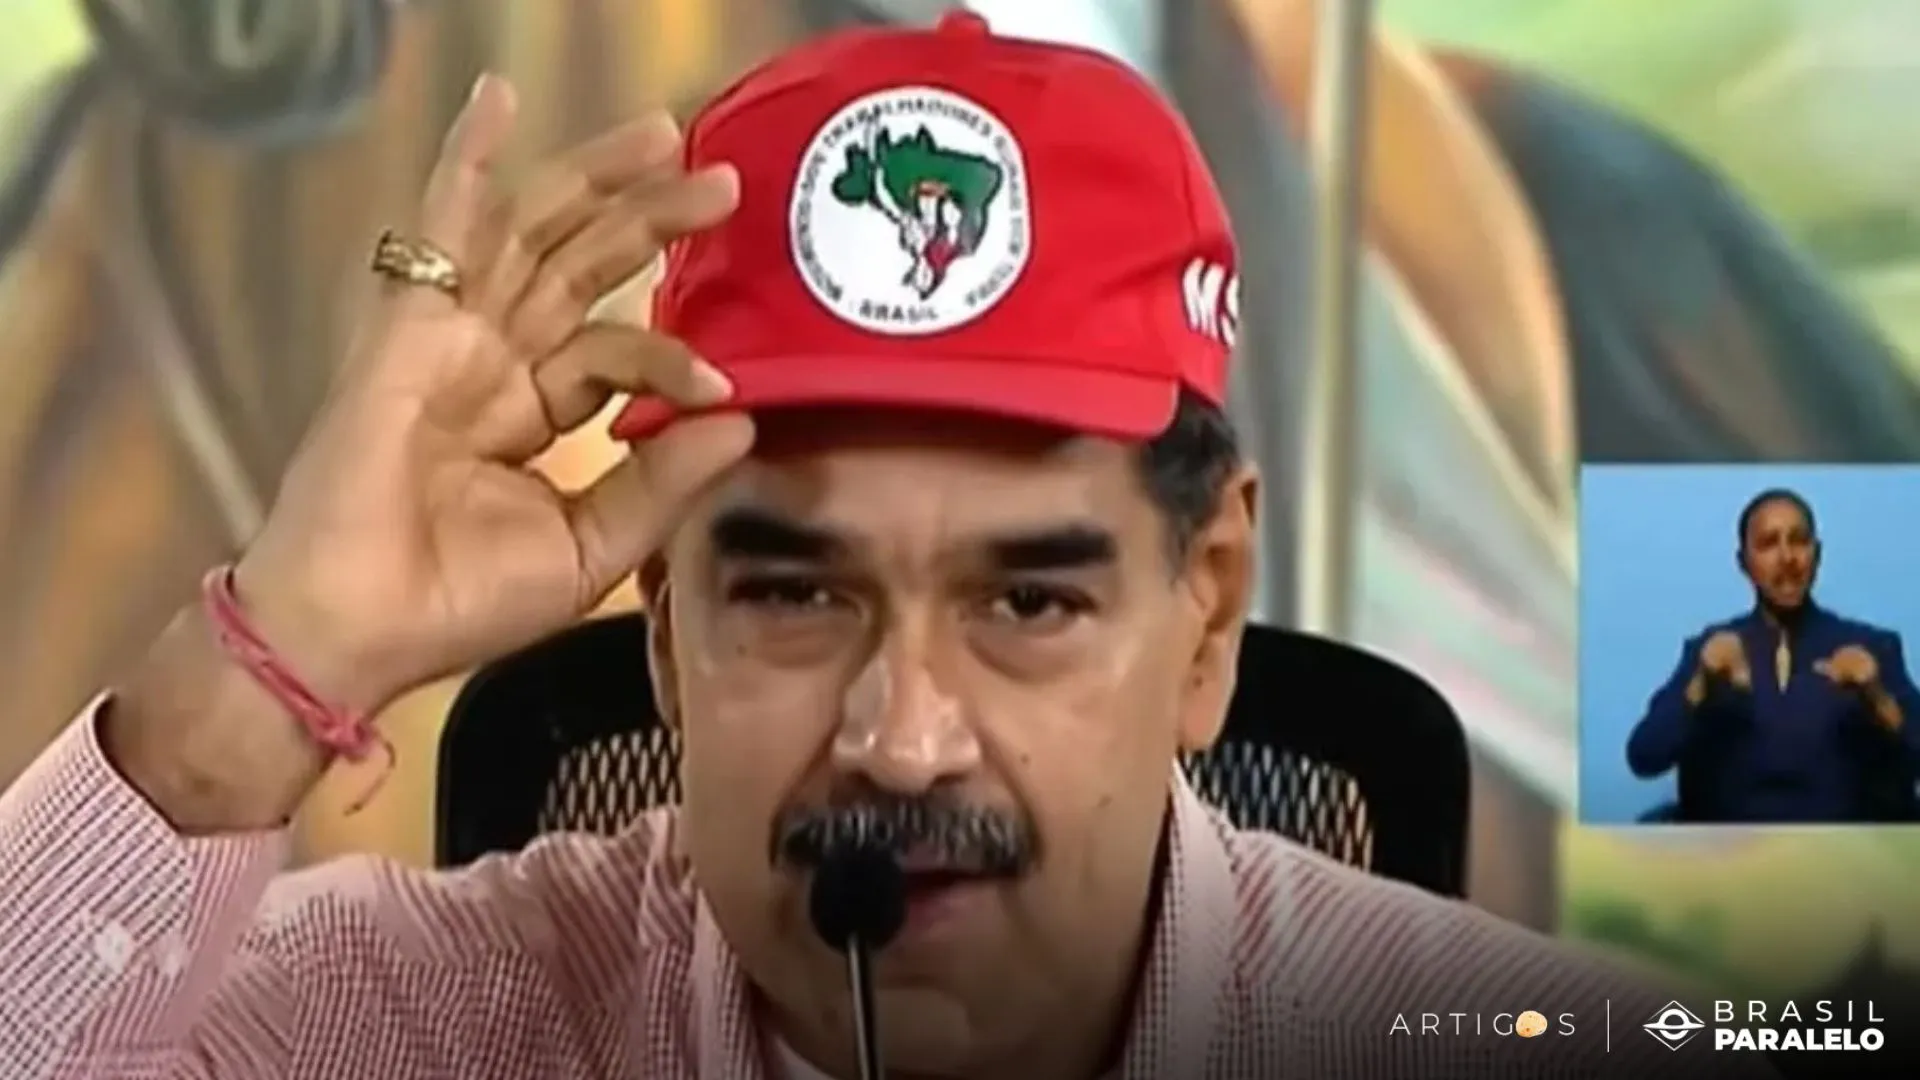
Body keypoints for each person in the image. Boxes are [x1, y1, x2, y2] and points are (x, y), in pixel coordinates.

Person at [0, 15, 1780, 1080]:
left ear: (1208, 610)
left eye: (1030, 599)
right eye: (790, 593)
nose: (901, 740)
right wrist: (265, 676)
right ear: (665, 635)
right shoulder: (425, 1020)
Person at [1627, 488, 1920, 823]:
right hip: (1734, 849)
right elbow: (1644, 758)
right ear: (1744, 563)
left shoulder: (1873, 647)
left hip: (1844, 847)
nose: (1786, 557)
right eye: (1768, 543)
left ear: (1817, 554)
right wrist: (1700, 684)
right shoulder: (1711, 651)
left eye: (1799, 541)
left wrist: (1879, 698)